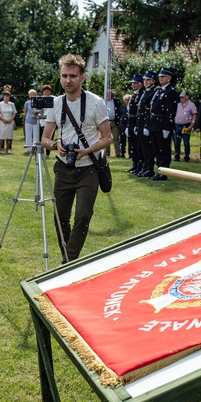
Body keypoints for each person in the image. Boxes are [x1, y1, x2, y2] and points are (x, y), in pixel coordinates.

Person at [42, 53, 112, 262]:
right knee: (60, 218)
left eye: (73, 76)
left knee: (82, 216)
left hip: (89, 167)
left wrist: (87, 150)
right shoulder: (56, 103)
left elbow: (107, 138)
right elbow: (45, 138)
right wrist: (56, 145)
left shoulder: (96, 102)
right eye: (64, 76)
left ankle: (68, 261)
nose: (68, 81)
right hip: (64, 167)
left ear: (82, 77)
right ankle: (68, 258)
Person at [145, 68, 178, 181]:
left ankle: (163, 172)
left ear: (169, 78)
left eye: (163, 77)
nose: (160, 78)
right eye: (160, 77)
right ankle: (158, 170)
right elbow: (152, 110)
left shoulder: (171, 92)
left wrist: (167, 127)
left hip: (162, 124)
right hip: (154, 123)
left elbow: (170, 112)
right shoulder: (159, 91)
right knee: (156, 149)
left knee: (163, 149)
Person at [134, 71, 157, 177]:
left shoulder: (153, 92)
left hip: (146, 121)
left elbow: (149, 111)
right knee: (141, 147)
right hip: (140, 121)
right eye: (145, 80)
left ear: (153, 81)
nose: (146, 82)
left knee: (147, 148)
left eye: (148, 80)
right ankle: (143, 167)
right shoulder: (146, 92)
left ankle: (149, 168)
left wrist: (147, 125)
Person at [125, 75, 143, 172]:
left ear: (140, 84)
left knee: (138, 145)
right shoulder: (134, 95)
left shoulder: (141, 94)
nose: (133, 85)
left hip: (136, 121)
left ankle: (140, 165)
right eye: (133, 83)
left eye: (135, 83)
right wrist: (128, 126)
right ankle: (135, 164)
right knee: (132, 145)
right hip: (131, 121)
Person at [173, 91, 197, 162]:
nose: (181, 98)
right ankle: (177, 156)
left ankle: (186, 157)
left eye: (183, 97)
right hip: (177, 125)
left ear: (187, 97)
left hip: (186, 126)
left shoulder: (191, 105)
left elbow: (194, 115)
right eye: (180, 97)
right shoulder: (178, 105)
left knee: (186, 142)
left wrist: (191, 125)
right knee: (177, 142)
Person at [105, 89, 122, 158]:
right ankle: (107, 153)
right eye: (107, 94)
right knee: (106, 138)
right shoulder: (103, 101)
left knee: (116, 138)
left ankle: (118, 153)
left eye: (110, 94)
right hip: (106, 122)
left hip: (114, 121)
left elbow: (120, 110)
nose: (108, 95)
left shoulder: (116, 101)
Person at [117, 94, 130, 158]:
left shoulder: (132, 106)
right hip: (122, 124)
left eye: (128, 100)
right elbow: (119, 115)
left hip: (130, 124)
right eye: (126, 100)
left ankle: (131, 153)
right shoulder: (121, 107)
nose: (127, 101)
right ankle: (122, 153)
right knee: (122, 140)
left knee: (130, 140)